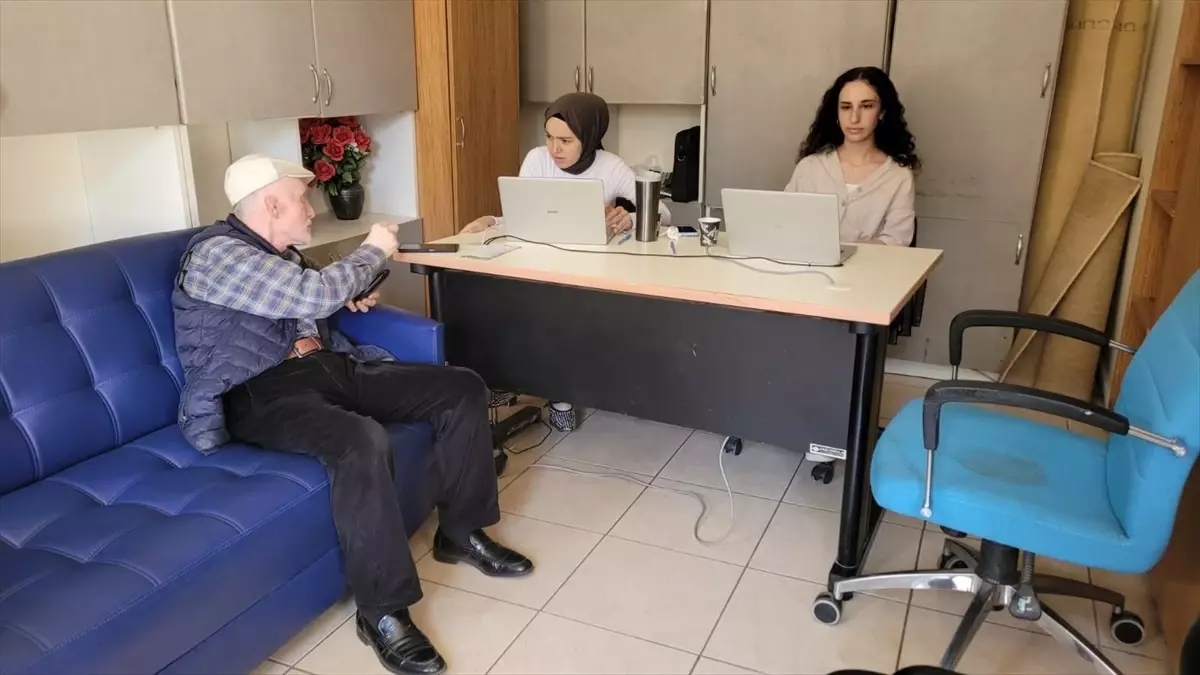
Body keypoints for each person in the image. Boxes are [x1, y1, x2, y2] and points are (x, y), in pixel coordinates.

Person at [172, 154, 533, 675]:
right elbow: (309, 294)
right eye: (302, 199)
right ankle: (382, 612)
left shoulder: (280, 255)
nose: (311, 209)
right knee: (361, 440)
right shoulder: (217, 255)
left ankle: (460, 532)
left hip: (324, 367)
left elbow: (310, 300)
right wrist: (372, 249)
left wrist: (350, 297)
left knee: (461, 387)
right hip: (256, 392)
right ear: (270, 204)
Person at [462, 92, 671, 432]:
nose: (554, 149)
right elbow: (523, 215)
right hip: (534, 260)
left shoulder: (611, 167)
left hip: (585, 268)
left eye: (565, 140)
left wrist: (630, 217)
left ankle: (560, 395)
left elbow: (663, 212)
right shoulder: (536, 160)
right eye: (548, 137)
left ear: (589, 136)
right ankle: (508, 379)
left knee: (558, 311)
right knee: (495, 300)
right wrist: (491, 221)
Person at [786, 66, 920, 247]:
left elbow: (896, 240)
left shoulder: (898, 176)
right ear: (836, 112)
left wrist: (846, 253)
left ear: (882, 112)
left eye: (866, 106)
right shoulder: (809, 167)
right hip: (806, 264)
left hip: (871, 265)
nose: (854, 118)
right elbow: (783, 223)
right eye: (846, 107)